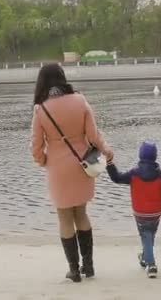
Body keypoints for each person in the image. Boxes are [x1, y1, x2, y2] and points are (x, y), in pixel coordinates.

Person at [31, 64, 113, 283]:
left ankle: (74, 270)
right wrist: (106, 152)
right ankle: (89, 265)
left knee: (65, 218)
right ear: (62, 78)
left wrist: (45, 161)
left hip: (58, 169)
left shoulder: (41, 110)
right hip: (82, 165)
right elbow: (94, 136)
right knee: (82, 214)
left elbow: (36, 149)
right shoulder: (80, 100)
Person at [106, 141, 161, 278]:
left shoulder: (134, 174)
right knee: (149, 235)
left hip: (140, 212)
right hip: (155, 212)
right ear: (155, 156)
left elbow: (117, 178)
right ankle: (144, 257)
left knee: (146, 235)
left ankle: (151, 264)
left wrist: (110, 163)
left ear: (140, 155)